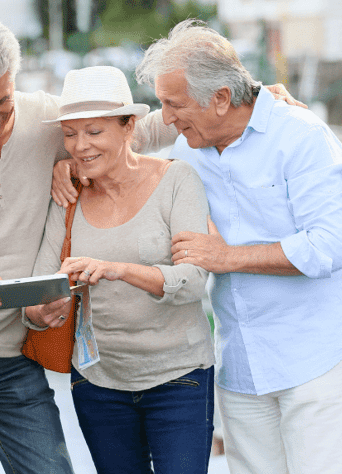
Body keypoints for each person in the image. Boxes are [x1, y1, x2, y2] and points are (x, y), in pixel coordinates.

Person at [0, 14, 303, 473]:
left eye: (1, 102)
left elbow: (138, 128)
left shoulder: (48, 121)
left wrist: (255, 97)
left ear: (14, 82)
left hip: (14, 353)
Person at [137, 20, 342, 473]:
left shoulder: (299, 135)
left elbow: (326, 248)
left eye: (173, 104)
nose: (165, 118)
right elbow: (123, 136)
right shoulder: (187, 144)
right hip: (239, 366)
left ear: (221, 98)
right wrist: (64, 167)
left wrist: (225, 258)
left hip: (316, 358)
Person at [27, 65, 215, 474]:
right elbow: (43, 288)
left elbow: (193, 280)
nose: (79, 146)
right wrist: (38, 314)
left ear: (129, 126)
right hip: (98, 385)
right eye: (71, 134)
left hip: (179, 378)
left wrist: (117, 269)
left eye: (94, 132)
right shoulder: (68, 196)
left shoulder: (176, 180)